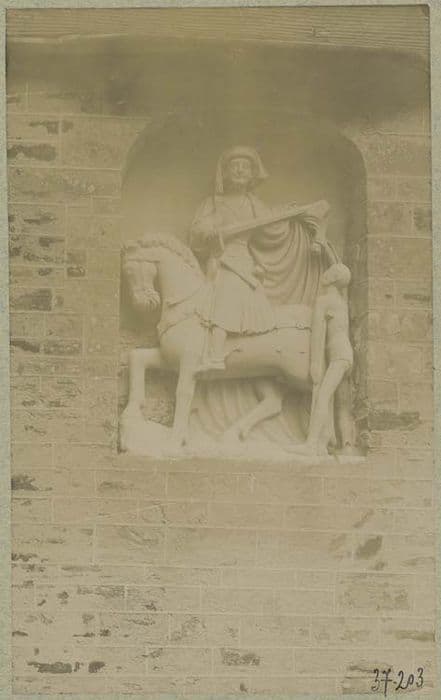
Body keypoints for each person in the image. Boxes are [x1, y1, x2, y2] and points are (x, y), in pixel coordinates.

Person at [189, 146, 277, 372]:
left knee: (231, 294)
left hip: (242, 262)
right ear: (225, 173)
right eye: (234, 166)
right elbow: (197, 232)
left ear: (252, 173)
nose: (239, 170)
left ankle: (219, 356)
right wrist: (210, 230)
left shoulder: (255, 204)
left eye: (245, 167)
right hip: (218, 260)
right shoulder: (213, 203)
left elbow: (272, 231)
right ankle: (204, 352)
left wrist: (285, 216)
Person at [293, 262, 354, 456]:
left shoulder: (324, 301)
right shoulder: (340, 302)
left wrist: (314, 363)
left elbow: (317, 333)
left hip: (338, 355)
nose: (326, 272)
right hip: (344, 355)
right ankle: (324, 440)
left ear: (333, 278)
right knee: (329, 397)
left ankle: (311, 444)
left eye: (331, 271)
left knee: (322, 396)